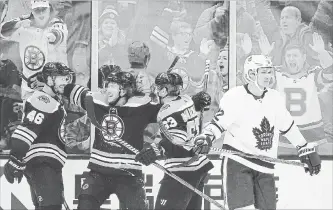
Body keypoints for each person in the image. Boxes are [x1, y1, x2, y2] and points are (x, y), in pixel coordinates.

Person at [192, 55, 321, 210]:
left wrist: (304, 148)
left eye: (270, 72)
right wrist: (206, 137)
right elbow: (218, 124)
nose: (269, 76)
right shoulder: (235, 96)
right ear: (251, 74)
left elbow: (288, 127)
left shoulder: (275, 98)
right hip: (238, 163)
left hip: (265, 167)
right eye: (264, 72)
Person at [63, 65, 162, 210]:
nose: (107, 89)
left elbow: (169, 115)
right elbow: (70, 90)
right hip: (99, 173)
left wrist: (157, 149)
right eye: (107, 85)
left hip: (129, 174)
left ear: (124, 90)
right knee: (85, 204)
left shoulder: (142, 107)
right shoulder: (98, 103)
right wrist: (51, 83)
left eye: (113, 86)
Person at [135, 72, 214, 210]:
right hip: (198, 166)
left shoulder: (166, 111)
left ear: (165, 90)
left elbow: (178, 140)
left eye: (158, 88)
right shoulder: (186, 100)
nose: (156, 90)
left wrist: (154, 151)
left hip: (182, 169)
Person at [3, 62, 75, 210]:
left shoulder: (53, 101)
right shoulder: (44, 100)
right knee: (52, 207)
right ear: (49, 80)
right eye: (61, 78)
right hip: (43, 165)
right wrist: (15, 158)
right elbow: (26, 131)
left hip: (45, 164)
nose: (66, 82)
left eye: (66, 79)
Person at [0, 0, 68, 100]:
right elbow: (2, 31)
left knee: (53, 113)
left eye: (43, 9)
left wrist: (53, 36)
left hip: (52, 88)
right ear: (32, 11)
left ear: (49, 9)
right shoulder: (24, 24)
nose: (41, 13)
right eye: (37, 10)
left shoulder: (56, 22)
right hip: (29, 88)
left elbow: (59, 33)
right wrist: (18, 24)